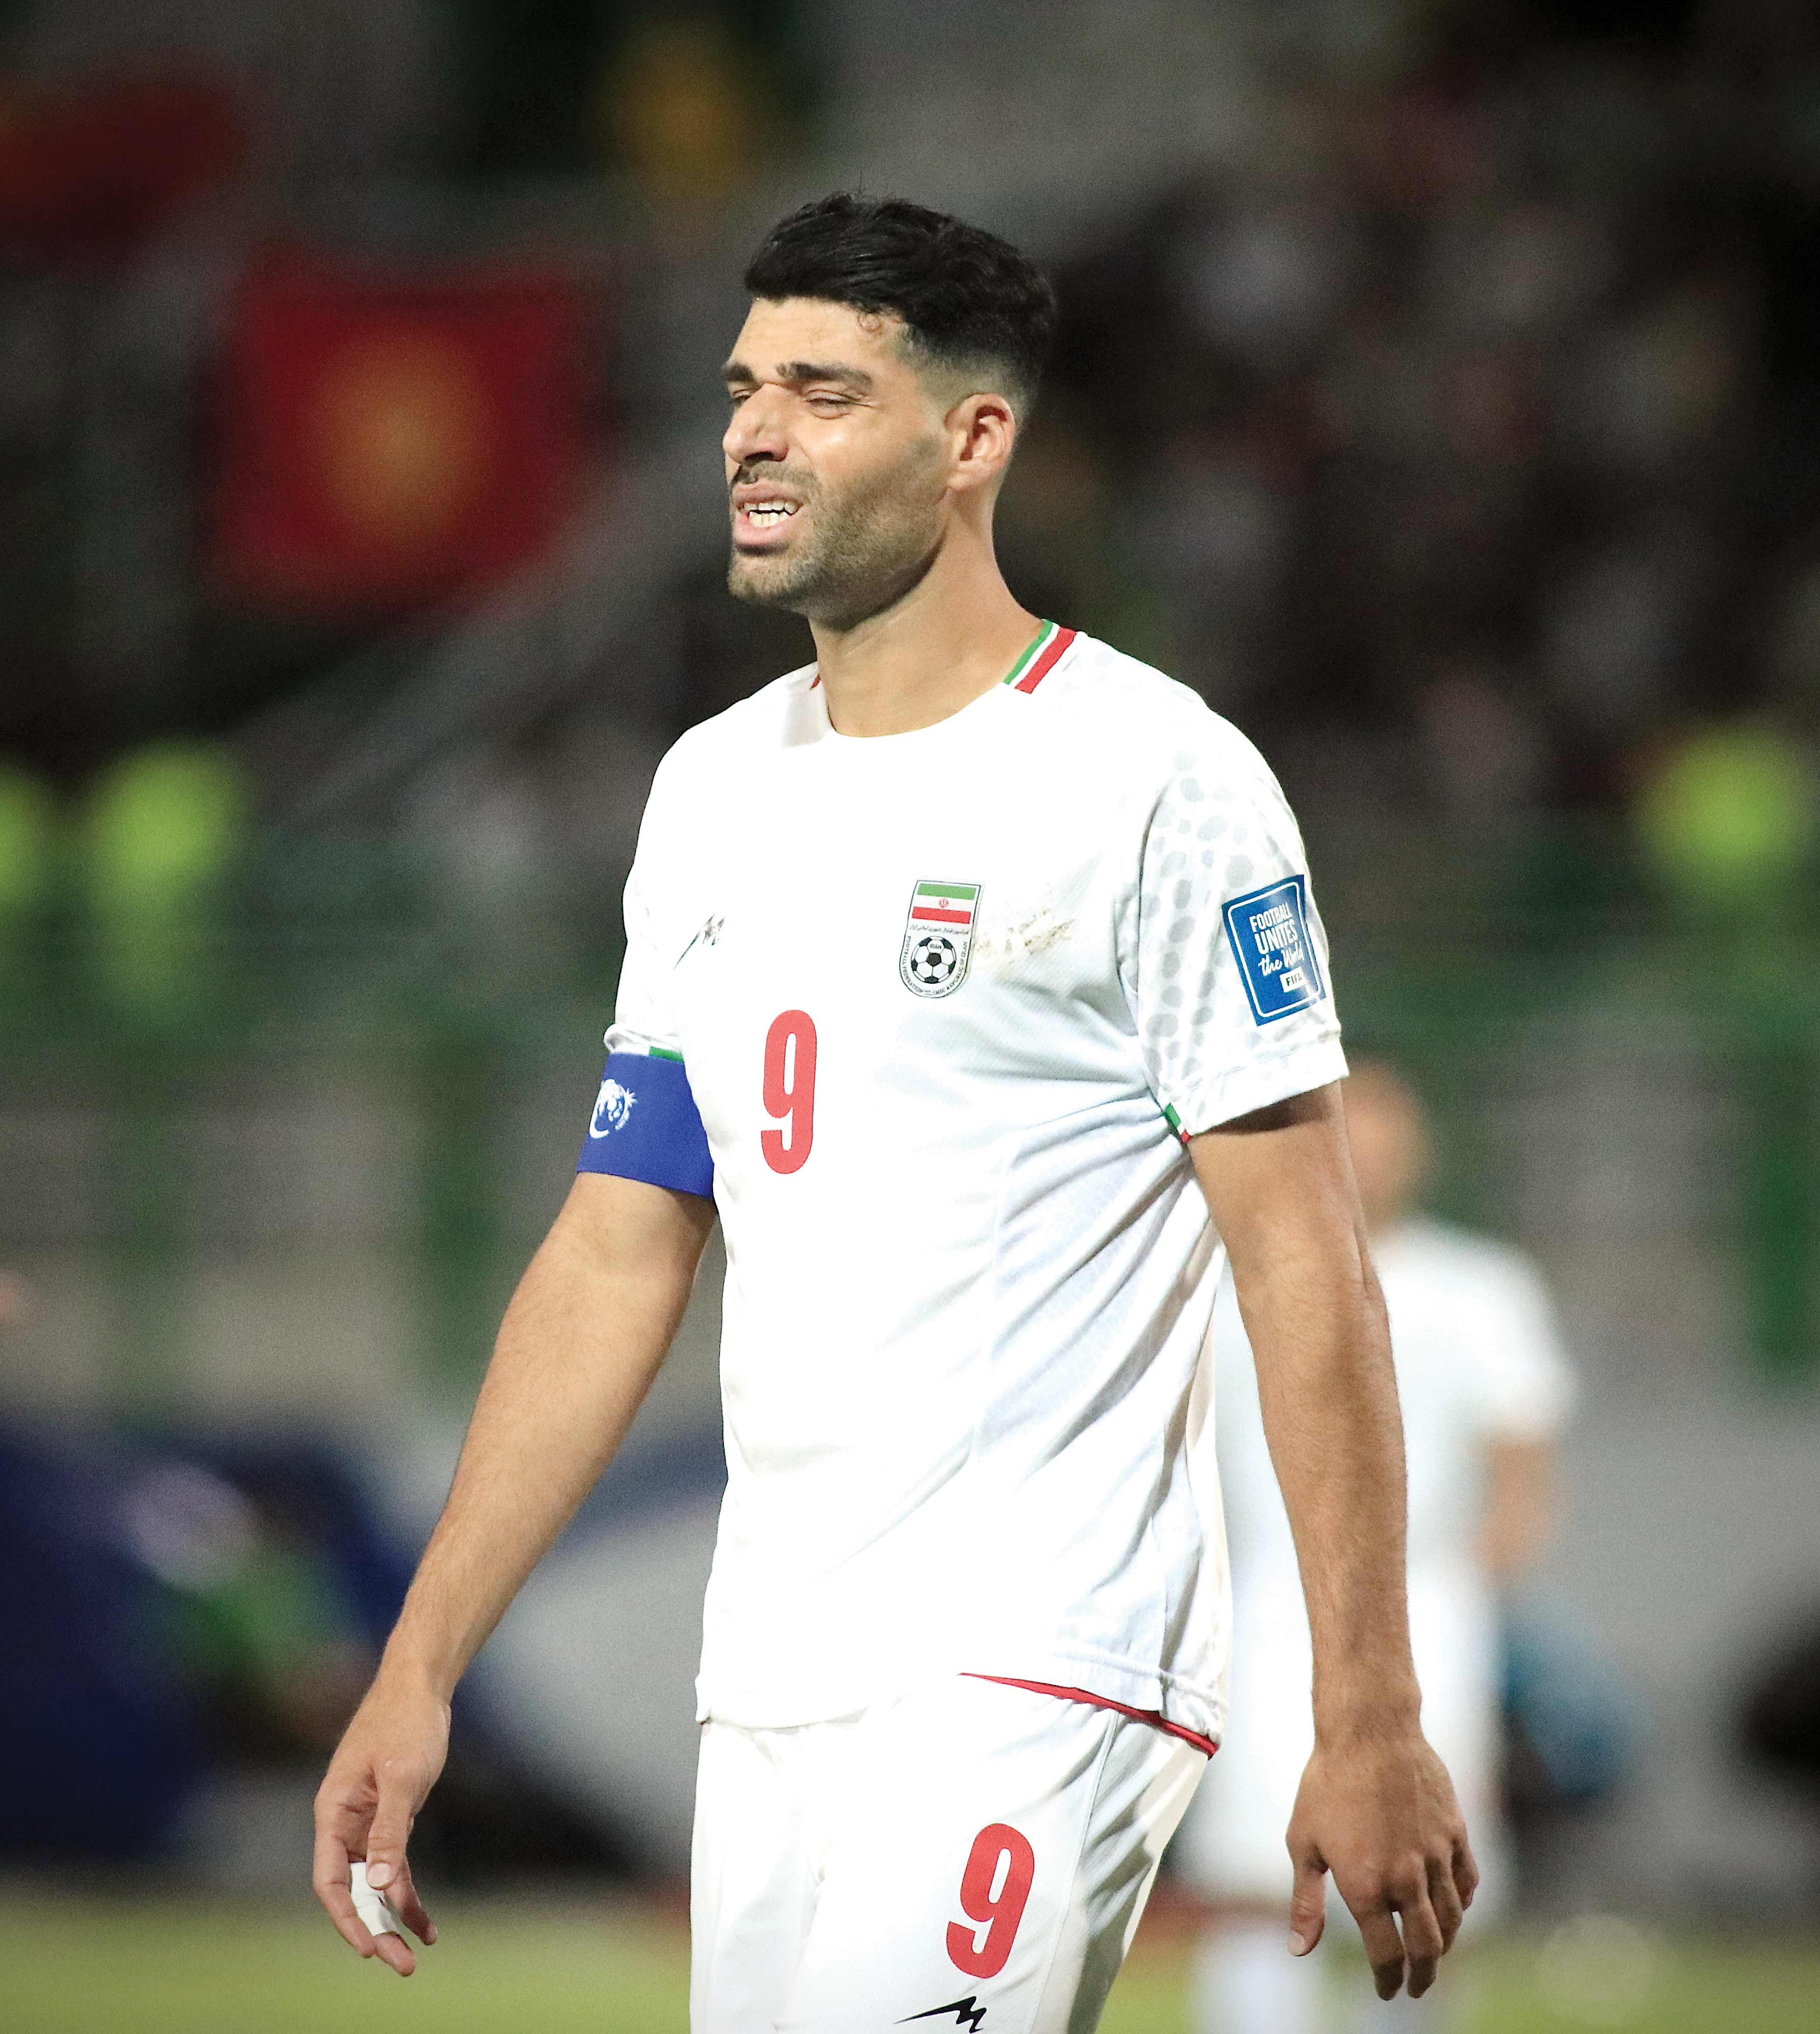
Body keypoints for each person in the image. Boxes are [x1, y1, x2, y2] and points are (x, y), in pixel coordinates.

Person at [313, 193, 1478, 2031]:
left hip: (1039, 1657)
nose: (754, 435)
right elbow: (619, 1244)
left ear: (972, 439)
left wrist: (1371, 1706)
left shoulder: (1156, 778)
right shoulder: (710, 791)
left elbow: (1303, 1258)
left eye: (824, 393)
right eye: (742, 389)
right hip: (772, 1676)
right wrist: (420, 1662)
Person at [1172, 1059, 1575, 2032]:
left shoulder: (1480, 1288)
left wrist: (1473, 1589)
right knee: (1255, 1866)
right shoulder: (1228, 1281)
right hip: (1262, 1600)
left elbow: (1522, 1458)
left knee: (1419, 1868)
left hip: (1423, 1607)